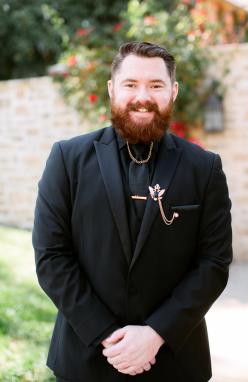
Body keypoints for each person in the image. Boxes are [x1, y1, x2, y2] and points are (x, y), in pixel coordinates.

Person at [32, 41, 232, 382]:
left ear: (173, 91)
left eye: (156, 85)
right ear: (112, 89)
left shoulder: (205, 168)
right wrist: (109, 336)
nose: (143, 96)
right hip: (86, 360)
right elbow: (51, 256)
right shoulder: (67, 159)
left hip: (175, 362)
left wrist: (155, 334)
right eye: (130, 84)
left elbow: (213, 263)